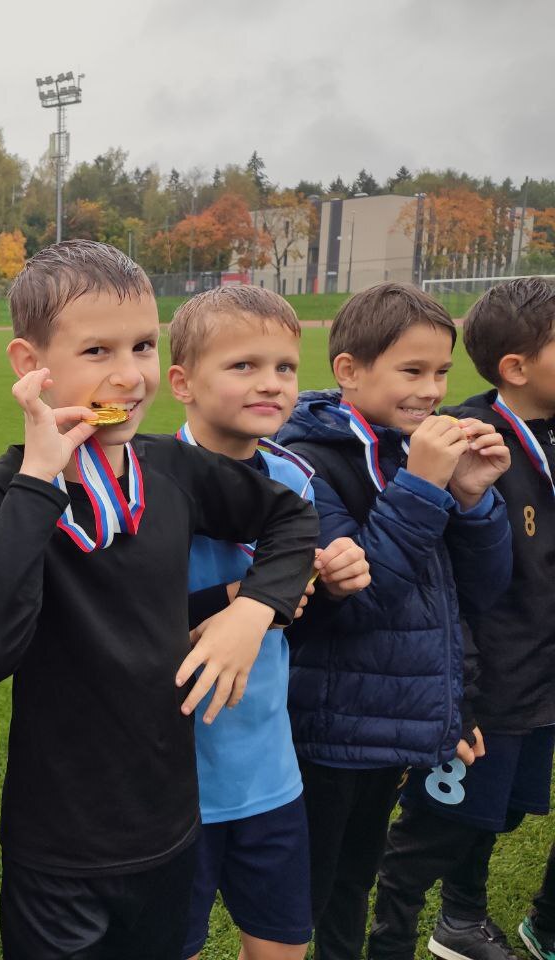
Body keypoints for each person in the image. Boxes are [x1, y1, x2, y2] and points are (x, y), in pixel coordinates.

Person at [0, 239, 319, 959]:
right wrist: (39, 482)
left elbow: (292, 520)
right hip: (57, 846)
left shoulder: (175, 469)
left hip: (168, 830)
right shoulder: (0, 495)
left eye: (144, 346)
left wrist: (252, 613)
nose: (129, 374)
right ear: (29, 365)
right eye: (97, 351)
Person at [275, 281, 512, 960]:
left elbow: (481, 590)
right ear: (349, 370)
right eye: (412, 371)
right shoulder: (305, 462)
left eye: (441, 372)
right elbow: (363, 601)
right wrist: (422, 485)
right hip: (328, 723)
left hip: (393, 718)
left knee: (353, 881)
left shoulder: (411, 451)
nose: (432, 391)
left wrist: (472, 499)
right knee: (304, 894)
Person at [167, 285, 370, 960]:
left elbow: (293, 627)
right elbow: (122, 625)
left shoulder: (294, 477)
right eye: (244, 365)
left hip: (268, 773)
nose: (272, 383)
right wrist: (233, 601)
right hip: (174, 782)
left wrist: (330, 585)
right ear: (183, 383)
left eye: (284, 366)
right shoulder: (145, 482)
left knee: (282, 945)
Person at [368, 277, 555, 960]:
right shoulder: (464, 442)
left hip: (538, 681)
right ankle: (390, 940)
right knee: (434, 830)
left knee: (497, 812)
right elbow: (444, 586)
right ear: (516, 368)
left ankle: (461, 920)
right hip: (484, 684)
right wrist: (460, 695)